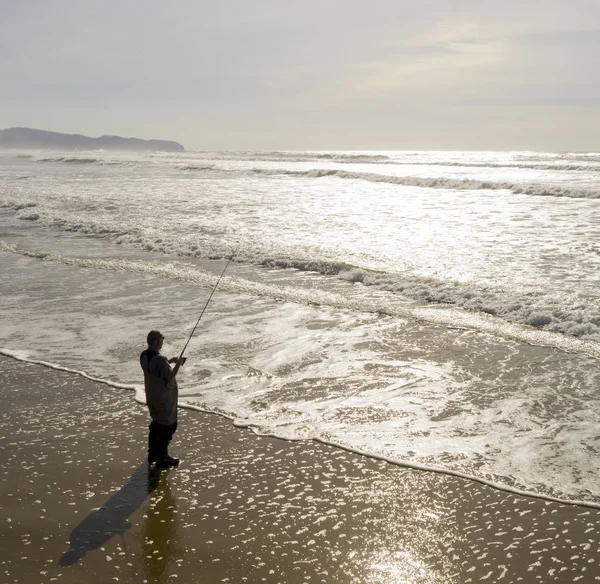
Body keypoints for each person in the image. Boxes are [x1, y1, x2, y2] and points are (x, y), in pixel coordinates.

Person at [140, 330, 186, 469]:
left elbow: (155, 368)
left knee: (156, 423)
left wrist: (170, 361)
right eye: (161, 341)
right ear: (156, 342)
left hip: (151, 395)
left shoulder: (144, 355)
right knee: (168, 426)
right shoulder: (160, 359)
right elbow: (169, 377)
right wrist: (178, 364)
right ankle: (162, 458)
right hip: (163, 398)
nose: (162, 343)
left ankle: (152, 454)